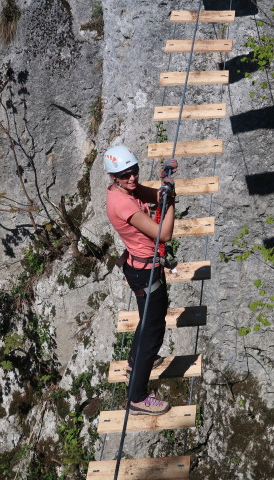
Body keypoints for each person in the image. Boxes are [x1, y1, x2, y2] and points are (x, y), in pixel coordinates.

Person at [104, 145, 177, 415]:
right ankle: (136, 398)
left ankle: (135, 363)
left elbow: (156, 195)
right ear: (114, 178)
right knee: (152, 332)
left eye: (133, 171)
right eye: (125, 175)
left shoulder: (125, 190)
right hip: (145, 272)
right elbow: (164, 234)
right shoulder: (122, 202)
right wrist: (171, 201)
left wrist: (166, 187)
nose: (132, 178)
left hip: (141, 269)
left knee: (147, 324)